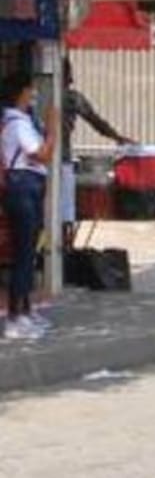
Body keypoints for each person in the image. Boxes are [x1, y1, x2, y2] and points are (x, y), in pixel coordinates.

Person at [1, 72, 58, 340]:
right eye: (31, 90)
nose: (34, 94)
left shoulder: (22, 121)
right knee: (24, 252)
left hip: (28, 185)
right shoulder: (17, 123)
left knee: (29, 251)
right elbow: (42, 154)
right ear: (22, 93)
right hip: (23, 186)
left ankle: (25, 309)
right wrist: (53, 129)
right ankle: (15, 317)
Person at [62, 57, 133, 249]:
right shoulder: (72, 98)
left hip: (40, 163)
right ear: (67, 76)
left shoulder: (37, 95)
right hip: (61, 162)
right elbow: (96, 121)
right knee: (65, 212)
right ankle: (63, 249)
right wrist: (117, 137)